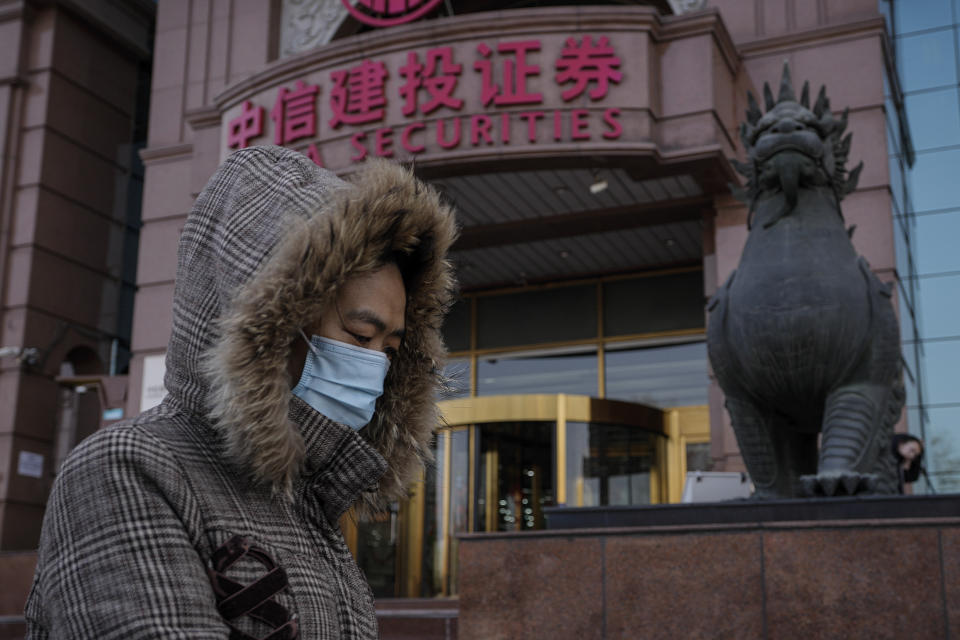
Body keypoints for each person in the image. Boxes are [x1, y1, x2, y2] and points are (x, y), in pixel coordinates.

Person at [25, 146, 457, 639]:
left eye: (391, 347)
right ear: (267, 326)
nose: (374, 365)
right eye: (359, 336)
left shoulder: (308, 501)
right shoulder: (129, 468)